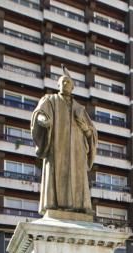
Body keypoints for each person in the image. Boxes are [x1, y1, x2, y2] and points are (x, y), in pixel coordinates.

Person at [31, 71, 97, 215]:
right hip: (58, 144)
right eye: (63, 81)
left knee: (78, 174)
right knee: (57, 171)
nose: (65, 84)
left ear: (73, 87)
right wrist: (43, 120)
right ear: (58, 84)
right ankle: (54, 205)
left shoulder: (80, 108)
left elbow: (91, 133)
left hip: (77, 149)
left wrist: (85, 128)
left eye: (68, 82)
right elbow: (39, 114)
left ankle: (81, 206)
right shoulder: (50, 100)